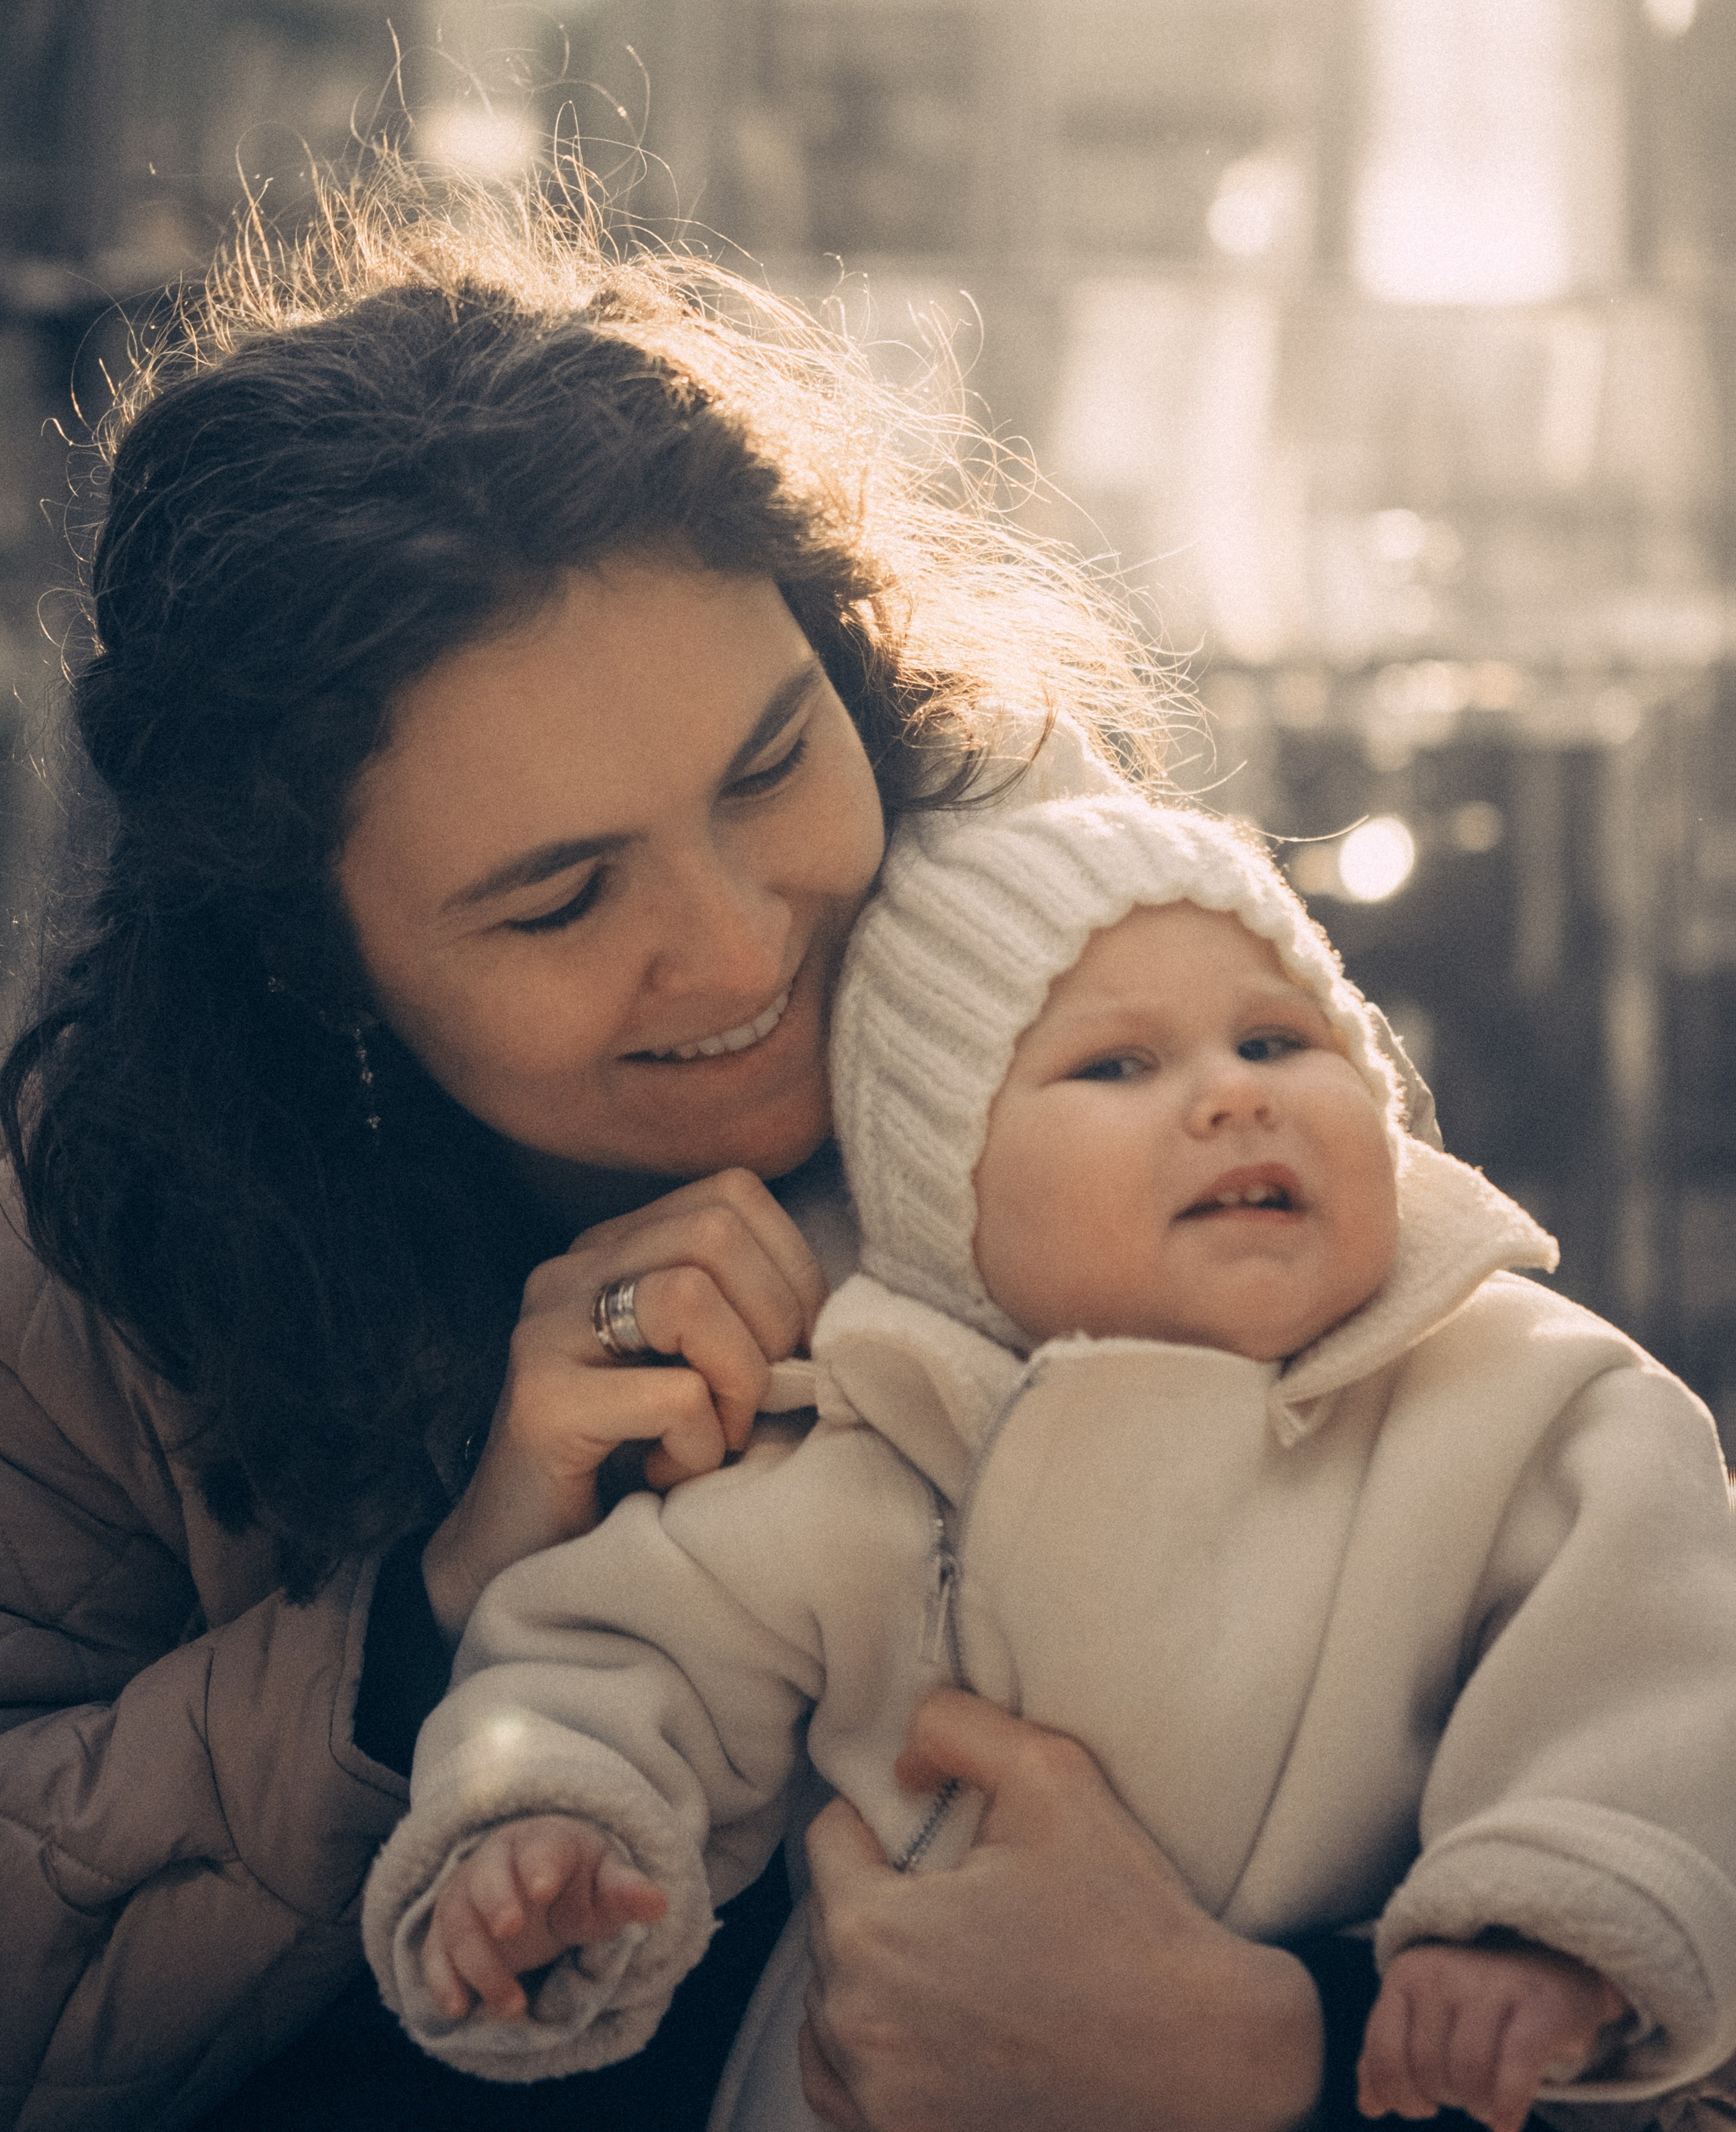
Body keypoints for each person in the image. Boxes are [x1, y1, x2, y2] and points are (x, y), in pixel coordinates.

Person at [0, 163, 1412, 2132]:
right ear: (310, 968)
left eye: (773, 764)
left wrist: (1281, 2054)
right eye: (561, 901)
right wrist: (429, 1624)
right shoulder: (101, 1252)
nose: (749, 946)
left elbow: (1600, 1662)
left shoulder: (1123, 976)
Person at [361, 792, 1736, 2132]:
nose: (1228, 1099)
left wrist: (1535, 1929)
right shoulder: (880, 1454)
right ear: (942, 1206)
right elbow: (626, 1653)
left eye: (1275, 1039)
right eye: (1116, 1066)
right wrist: (547, 1828)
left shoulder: (1521, 1398)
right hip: (876, 2065)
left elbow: (1644, 1675)